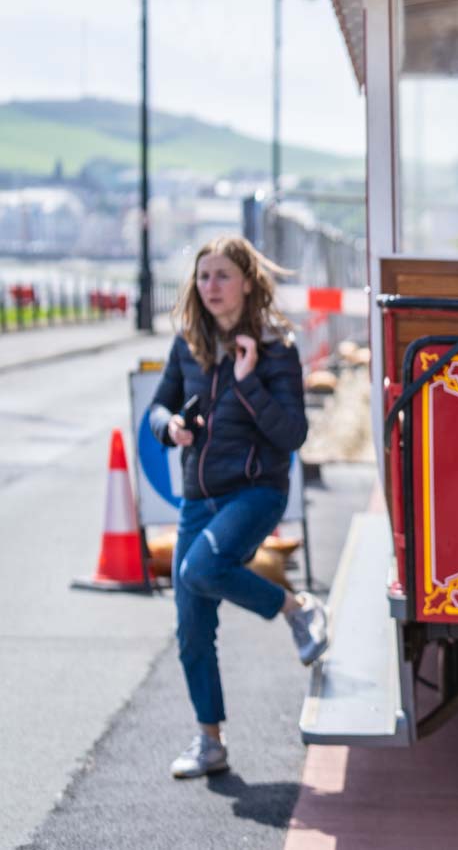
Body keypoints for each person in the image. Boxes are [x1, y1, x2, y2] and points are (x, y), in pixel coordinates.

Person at [148, 235, 328, 780]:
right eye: (204, 277)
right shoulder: (189, 343)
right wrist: (170, 427)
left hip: (255, 492)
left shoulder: (276, 346)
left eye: (223, 276)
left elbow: (292, 433)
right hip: (198, 499)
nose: (211, 287)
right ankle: (210, 742)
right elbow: (158, 406)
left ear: (247, 281)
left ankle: (296, 609)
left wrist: (248, 384)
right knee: (191, 627)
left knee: (200, 569)